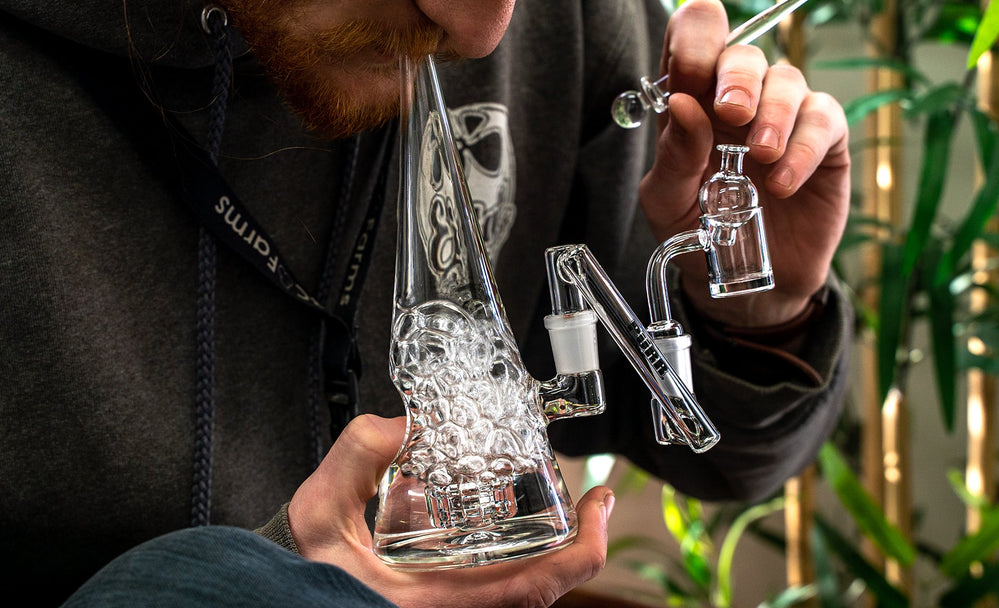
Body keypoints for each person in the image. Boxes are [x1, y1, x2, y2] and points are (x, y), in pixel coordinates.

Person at [0, 0, 853, 605]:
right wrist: (260, 584)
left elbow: (715, 450)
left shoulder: (562, 19)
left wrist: (755, 312)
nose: (481, 32)